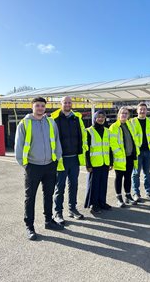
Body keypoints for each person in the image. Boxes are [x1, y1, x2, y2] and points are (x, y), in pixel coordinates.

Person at [15, 97, 64, 241]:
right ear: (32, 107)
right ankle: (29, 226)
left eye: (42, 106)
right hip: (33, 167)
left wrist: (56, 159)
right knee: (30, 198)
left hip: (50, 165)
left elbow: (57, 140)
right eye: (37, 106)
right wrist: (26, 165)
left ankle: (49, 221)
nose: (40, 108)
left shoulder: (51, 122)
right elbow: (18, 146)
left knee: (48, 195)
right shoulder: (24, 124)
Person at [51, 96, 87, 224]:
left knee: (74, 185)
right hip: (61, 159)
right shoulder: (54, 119)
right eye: (65, 102)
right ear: (61, 103)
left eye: (69, 102)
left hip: (74, 159)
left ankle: (72, 209)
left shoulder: (77, 118)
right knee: (59, 187)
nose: (67, 104)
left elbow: (82, 135)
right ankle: (58, 212)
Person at [109, 107, 140, 207]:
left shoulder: (129, 125)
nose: (124, 115)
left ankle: (128, 196)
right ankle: (119, 198)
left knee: (128, 177)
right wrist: (119, 153)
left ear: (128, 115)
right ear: (119, 115)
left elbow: (134, 139)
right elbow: (112, 143)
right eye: (122, 113)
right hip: (120, 157)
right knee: (119, 178)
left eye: (126, 113)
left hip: (130, 156)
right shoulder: (114, 127)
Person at [84, 110, 113, 213]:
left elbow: (109, 148)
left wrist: (111, 162)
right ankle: (93, 204)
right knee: (94, 185)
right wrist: (88, 164)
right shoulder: (88, 131)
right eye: (98, 117)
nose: (100, 119)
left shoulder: (107, 131)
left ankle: (102, 202)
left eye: (103, 117)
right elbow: (86, 149)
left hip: (105, 162)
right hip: (94, 163)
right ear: (94, 118)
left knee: (103, 183)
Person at [131, 102, 150, 202]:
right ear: (137, 110)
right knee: (136, 173)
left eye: (144, 109)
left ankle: (149, 192)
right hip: (137, 152)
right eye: (140, 109)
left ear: (147, 111)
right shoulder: (132, 121)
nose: (142, 111)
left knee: (147, 173)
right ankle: (136, 193)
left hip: (148, 151)